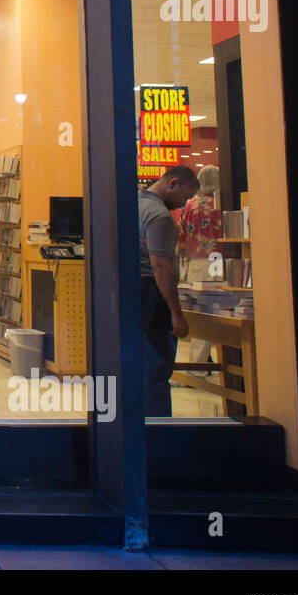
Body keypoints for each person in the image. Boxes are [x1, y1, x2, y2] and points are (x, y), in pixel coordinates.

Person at [139, 165, 200, 417]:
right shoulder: (159, 216)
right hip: (152, 297)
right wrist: (176, 312)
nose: (183, 204)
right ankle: (158, 427)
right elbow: (161, 266)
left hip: (132, 295)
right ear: (172, 184)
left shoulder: (133, 204)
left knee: (138, 364)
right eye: (185, 197)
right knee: (156, 367)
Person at [177, 164, 223, 375]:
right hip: (218, 262)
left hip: (195, 265)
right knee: (219, 315)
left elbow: (182, 240)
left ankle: (198, 365)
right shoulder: (220, 205)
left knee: (199, 317)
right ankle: (210, 364)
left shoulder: (190, 206)